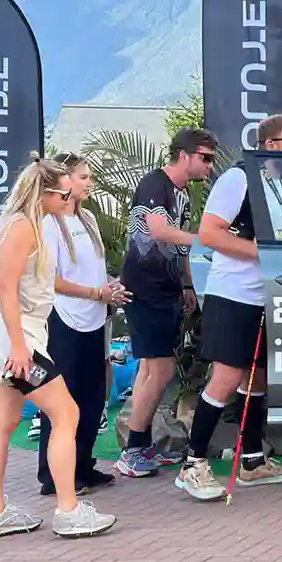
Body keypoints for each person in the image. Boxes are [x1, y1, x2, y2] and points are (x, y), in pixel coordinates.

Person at [0, 154, 116, 538]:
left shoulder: (30, 225)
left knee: (3, 422)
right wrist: (19, 348)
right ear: (46, 193)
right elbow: (5, 290)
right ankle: (68, 510)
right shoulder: (23, 227)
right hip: (17, 340)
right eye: (64, 194)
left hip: (14, 336)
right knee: (66, 413)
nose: (69, 200)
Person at [175, 114, 282, 499]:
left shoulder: (280, 185)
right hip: (233, 294)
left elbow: (278, 236)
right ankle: (193, 465)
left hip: (266, 297)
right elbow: (209, 233)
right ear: (270, 145)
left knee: (258, 377)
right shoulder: (238, 178)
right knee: (227, 377)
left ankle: (252, 461)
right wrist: (262, 254)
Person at [115, 128, 216, 478]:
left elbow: (179, 245)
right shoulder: (155, 184)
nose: (209, 165)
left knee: (150, 369)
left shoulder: (182, 193)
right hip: (145, 288)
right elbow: (159, 230)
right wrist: (206, 239)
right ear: (183, 155)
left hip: (168, 288)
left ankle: (139, 446)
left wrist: (187, 283)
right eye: (204, 158)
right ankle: (133, 450)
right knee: (161, 370)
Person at [36, 153, 132, 496]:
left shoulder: (88, 218)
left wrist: (110, 287)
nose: (90, 183)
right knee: (64, 398)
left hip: (95, 318)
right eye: (83, 177)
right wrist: (94, 292)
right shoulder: (48, 223)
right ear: (64, 181)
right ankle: (53, 475)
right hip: (64, 318)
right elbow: (51, 280)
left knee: (93, 397)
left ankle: (82, 465)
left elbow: (92, 269)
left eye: (90, 177)